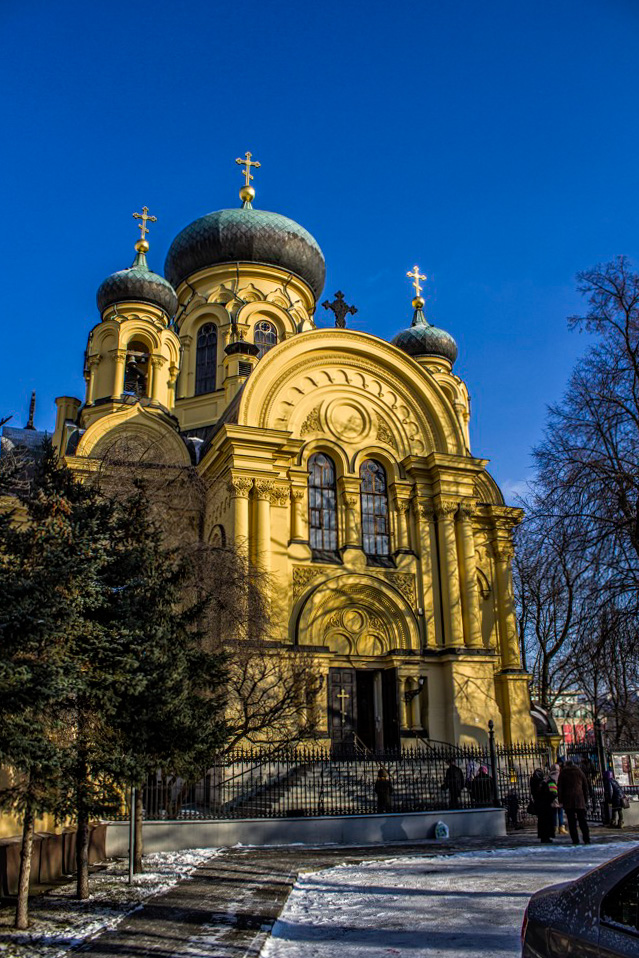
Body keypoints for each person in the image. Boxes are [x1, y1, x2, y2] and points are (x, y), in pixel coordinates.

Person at [557, 760, 591, 845]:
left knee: (572, 822)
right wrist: (585, 799)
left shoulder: (563, 773)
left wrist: (560, 800)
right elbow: (585, 787)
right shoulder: (579, 772)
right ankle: (586, 838)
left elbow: (560, 788)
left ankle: (575, 840)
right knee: (582, 821)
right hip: (580, 799)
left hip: (568, 800)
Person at [530, 768, 555, 843]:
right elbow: (546, 792)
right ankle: (546, 837)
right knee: (546, 821)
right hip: (545, 803)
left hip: (539, 804)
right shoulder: (540, 782)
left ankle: (544, 836)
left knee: (542, 821)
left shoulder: (533, 781)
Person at [549, 763, 567, 835]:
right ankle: (561, 827)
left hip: (552, 796)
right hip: (560, 796)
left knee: (554, 813)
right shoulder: (561, 776)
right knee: (560, 812)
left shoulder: (549, 776)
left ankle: (554, 827)